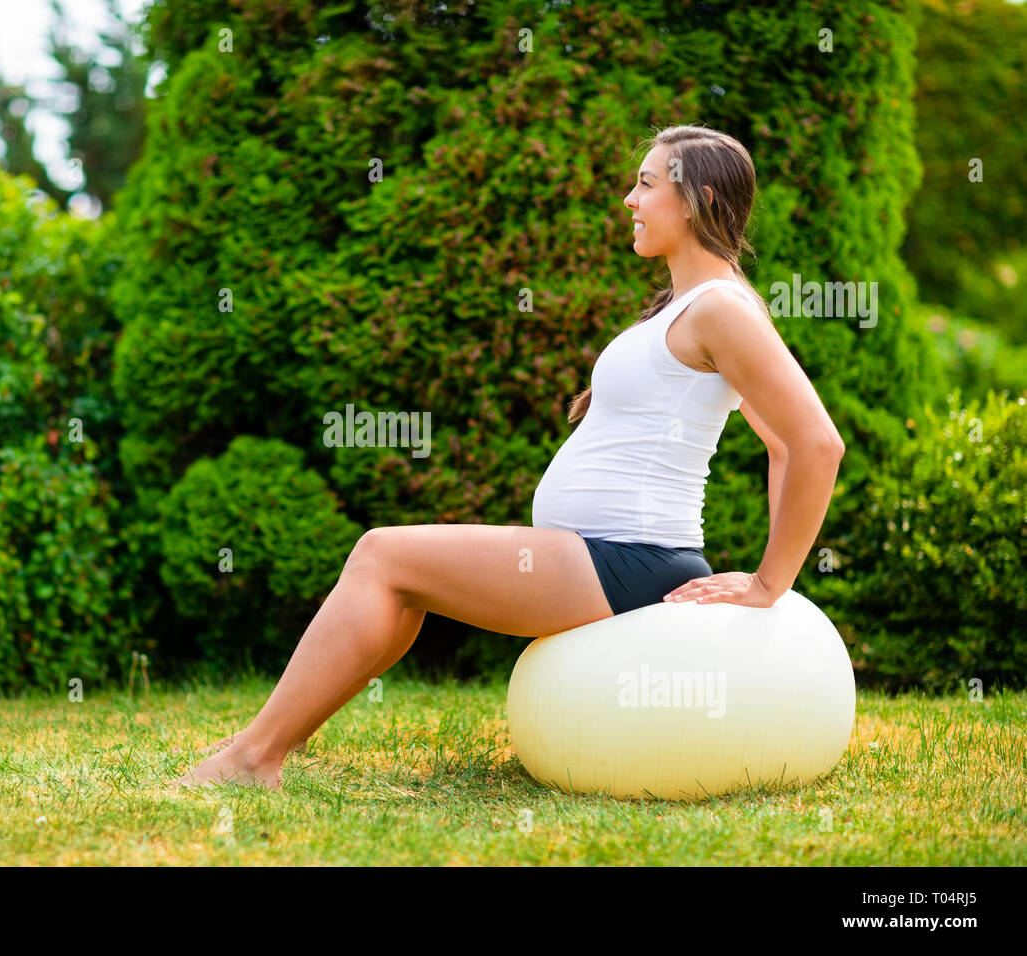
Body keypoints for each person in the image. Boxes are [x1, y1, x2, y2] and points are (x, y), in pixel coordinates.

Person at [173, 124, 845, 790]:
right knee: (403, 592)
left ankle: (254, 758)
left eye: (645, 184)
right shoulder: (695, 306)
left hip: (628, 558)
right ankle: (274, 739)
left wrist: (767, 583)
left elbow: (812, 442)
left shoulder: (722, 309)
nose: (628, 200)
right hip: (600, 551)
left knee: (383, 553)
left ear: (697, 200)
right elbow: (779, 444)